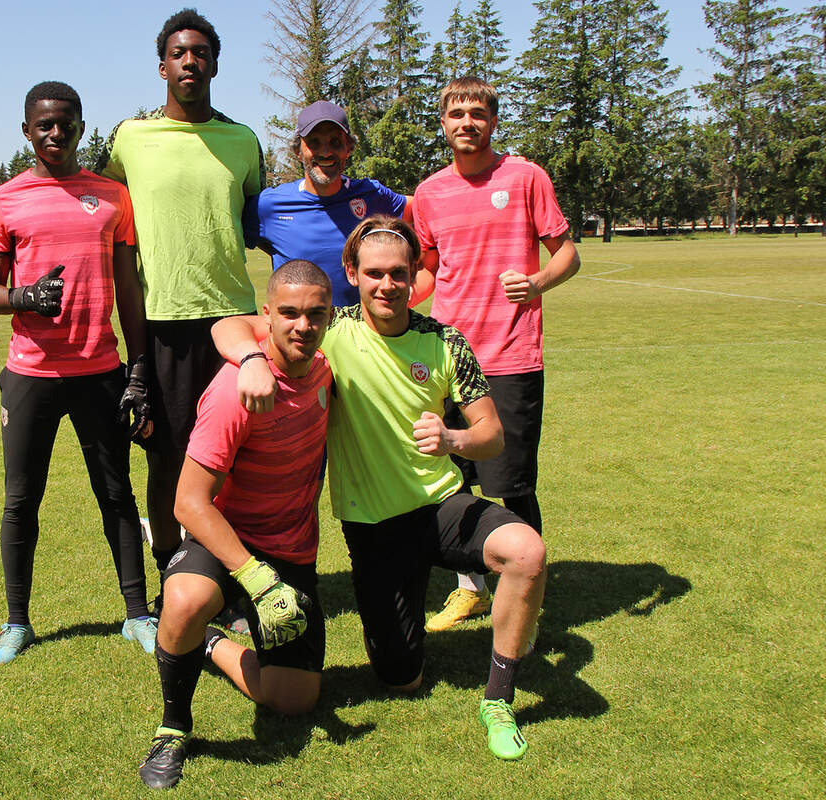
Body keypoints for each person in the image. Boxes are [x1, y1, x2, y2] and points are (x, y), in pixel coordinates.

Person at [214, 216, 546, 761]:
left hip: (443, 505)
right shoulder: (327, 329)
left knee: (526, 551)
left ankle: (498, 699)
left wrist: (453, 437)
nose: (387, 285)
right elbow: (227, 326)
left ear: (415, 275)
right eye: (374, 274)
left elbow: (492, 436)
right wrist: (250, 358)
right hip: (374, 528)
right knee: (399, 679)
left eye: (399, 273)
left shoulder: (444, 341)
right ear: (353, 274)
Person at [0, 81, 157, 664]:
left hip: (100, 370)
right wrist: (24, 296)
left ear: (81, 126)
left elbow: (128, 288)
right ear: (26, 131)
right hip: (30, 374)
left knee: (116, 495)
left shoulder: (112, 196)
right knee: (21, 500)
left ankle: (137, 614)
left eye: (65, 123)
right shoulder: (5, 200)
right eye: (43, 124)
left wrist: (137, 369)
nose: (55, 133)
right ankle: (17, 622)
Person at [137, 261, 333, 790]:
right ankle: (174, 725)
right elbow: (188, 503)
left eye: (316, 314)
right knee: (184, 602)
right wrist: (257, 579)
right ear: (266, 316)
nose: (302, 326)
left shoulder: (326, 366)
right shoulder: (235, 392)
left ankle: (208, 645)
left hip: (291, 548)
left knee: (296, 702)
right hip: (226, 538)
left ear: (330, 315)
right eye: (288, 313)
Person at [96, 8, 266, 598]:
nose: (190, 61)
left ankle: (235, 570)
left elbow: (254, 216)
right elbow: (99, 207)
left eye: (200, 52)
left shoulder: (243, 141)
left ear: (215, 63)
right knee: (166, 458)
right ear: (162, 65)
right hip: (162, 323)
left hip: (233, 323)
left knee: (233, 460)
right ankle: (171, 564)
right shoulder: (130, 138)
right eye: (179, 53)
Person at [412, 76, 579, 632]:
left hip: (510, 355)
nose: (467, 122)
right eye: (456, 113)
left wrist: (536, 283)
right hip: (447, 357)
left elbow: (567, 255)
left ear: (493, 120)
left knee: (510, 486)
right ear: (443, 124)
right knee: (450, 481)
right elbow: (428, 268)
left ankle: (527, 596)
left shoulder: (526, 176)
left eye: (477, 112)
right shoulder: (429, 192)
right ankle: (471, 590)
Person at [246, 100, 426, 307]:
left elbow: (423, 208)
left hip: (361, 335)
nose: (325, 152)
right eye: (313, 142)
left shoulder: (372, 194)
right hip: (302, 334)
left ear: (348, 148)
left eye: (335, 142)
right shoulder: (268, 206)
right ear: (298, 151)